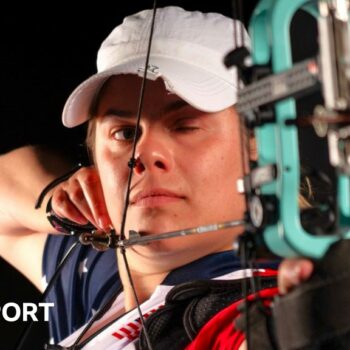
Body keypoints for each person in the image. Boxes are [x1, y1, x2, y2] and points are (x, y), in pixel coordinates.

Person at [0, 6, 283, 349]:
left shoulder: (262, 312)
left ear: (260, 147)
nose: (143, 155)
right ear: (92, 157)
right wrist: (59, 203)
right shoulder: (94, 276)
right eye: (124, 133)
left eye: (185, 126)